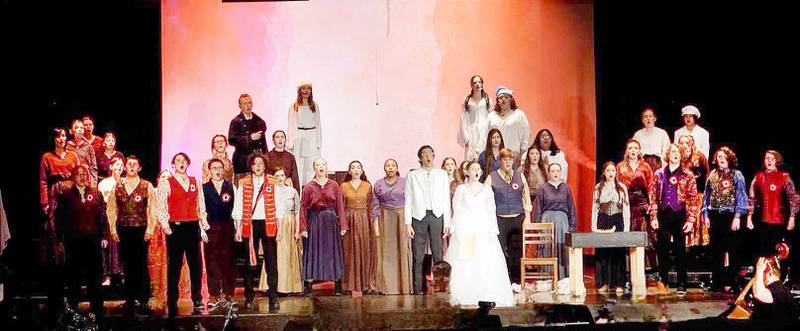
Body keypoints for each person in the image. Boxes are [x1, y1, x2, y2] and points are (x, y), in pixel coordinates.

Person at [445, 161, 516, 307]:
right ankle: (465, 295)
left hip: (483, 229)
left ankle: (486, 294)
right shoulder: (461, 190)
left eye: (478, 169)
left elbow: (491, 209)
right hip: (468, 229)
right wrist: (458, 229)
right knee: (466, 261)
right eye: (473, 169)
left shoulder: (486, 189)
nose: (476, 171)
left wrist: (492, 230)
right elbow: (457, 209)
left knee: (485, 262)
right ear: (467, 172)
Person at [155, 152, 210, 317]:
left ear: (188, 164)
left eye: (184, 161)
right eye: (178, 161)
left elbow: (200, 204)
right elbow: (161, 206)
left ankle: (197, 297)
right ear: (173, 165)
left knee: (196, 265)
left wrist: (202, 226)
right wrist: (166, 226)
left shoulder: (195, 182)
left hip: (192, 226)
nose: (181, 163)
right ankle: (172, 298)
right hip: (176, 227)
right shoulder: (166, 183)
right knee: (175, 266)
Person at [54, 165, 109, 322]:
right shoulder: (66, 196)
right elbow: (59, 220)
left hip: (93, 241)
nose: (82, 176)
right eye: (78, 174)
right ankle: (72, 309)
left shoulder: (96, 194)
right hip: (74, 242)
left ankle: (97, 309)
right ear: (73, 177)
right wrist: (60, 240)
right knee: (74, 278)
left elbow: (103, 217)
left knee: (95, 277)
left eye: (84, 174)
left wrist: (104, 236)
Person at [107, 156, 157, 314]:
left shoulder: (146, 186)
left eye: (135, 164)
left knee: (141, 265)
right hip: (123, 230)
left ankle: (142, 300)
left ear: (139, 168)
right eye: (129, 164)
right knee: (127, 265)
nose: (132, 166)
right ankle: (129, 299)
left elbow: (152, 209)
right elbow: (111, 209)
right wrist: (113, 230)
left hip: (141, 230)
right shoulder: (117, 185)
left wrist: (150, 229)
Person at [232, 154, 280, 310]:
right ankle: (249, 296)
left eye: (260, 163)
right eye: (255, 163)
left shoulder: (272, 181)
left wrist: (279, 229)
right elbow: (238, 206)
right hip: (249, 224)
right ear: (251, 166)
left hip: (268, 224)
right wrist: (238, 228)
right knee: (248, 262)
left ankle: (273, 297)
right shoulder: (244, 182)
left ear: (264, 165)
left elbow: (278, 206)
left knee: (271, 261)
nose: (258, 166)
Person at [649, 144, 698, 296]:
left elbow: (693, 199)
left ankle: (681, 283)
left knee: (680, 250)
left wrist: (690, 220)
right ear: (668, 155)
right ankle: (663, 281)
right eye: (672, 152)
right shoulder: (659, 174)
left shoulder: (687, 174)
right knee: (662, 249)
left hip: (680, 215)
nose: (675, 154)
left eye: (678, 152)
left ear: (681, 155)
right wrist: (654, 217)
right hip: (664, 214)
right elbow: (653, 197)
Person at [405, 146, 451, 294]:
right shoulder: (412, 175)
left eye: (430, 154)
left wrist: (447, 223)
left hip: (437, 215)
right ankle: (417, 288)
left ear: (434, 156)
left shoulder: (442, 174)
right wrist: (408, 223)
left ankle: (440, 287)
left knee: (438, 253)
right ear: (420, 158)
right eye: (424, 154)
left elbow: (445, 200)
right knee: (418, 255)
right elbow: (408, 200)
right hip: (419, 216)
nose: (427, 157)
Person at [701, 147, 748, 292]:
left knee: (732, 250)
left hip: (730, 215)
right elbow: (706, 196)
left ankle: (733, 282)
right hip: (715, 215)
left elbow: (741, 196)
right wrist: (706, 215)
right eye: (719, 156)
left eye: (724, 157)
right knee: (716, 250)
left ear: (730, 159)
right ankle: (717, 282)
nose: (721, 159)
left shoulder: (736, 175)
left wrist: (737, 217)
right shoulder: (712, 174)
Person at [299, 158, 348, 295]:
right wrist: (303, 228)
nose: (321, 167)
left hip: (331, 222)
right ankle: (308, 285)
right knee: (312, 251)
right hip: (314, 221)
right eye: (318, 165)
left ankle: (337, 285)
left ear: (327, 168)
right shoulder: (308, 187)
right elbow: (303, 208)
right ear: (314, 168)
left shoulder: (334, 185)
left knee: (333, 252)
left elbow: (340, 205)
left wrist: (343, 224)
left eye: (323, 164)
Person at [484, 148, 532, 286]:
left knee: (516, 251)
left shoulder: (519, 175)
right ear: (500, 161)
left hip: (517, 218)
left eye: (510, 159)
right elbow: (485, 200)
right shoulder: (491, 177)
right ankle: (502, 281)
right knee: (500, 251)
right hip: (499, 219)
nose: (508, 162)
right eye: (505, 159)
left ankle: (516, 281)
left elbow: (526, 197)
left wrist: (527, 216)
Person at [747, 150, 798, 276]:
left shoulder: (784, 177)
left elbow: (794, 198)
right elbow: (751, 198)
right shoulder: (758, 177)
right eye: (767, 158)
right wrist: (749, 217)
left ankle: (780, 279)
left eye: (772, 158)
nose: (769, 161)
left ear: (777, 161)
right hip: (762, 221)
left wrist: (792, 217)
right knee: (763, 252)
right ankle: (764, 279)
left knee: (780, 251)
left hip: (779, 221)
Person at [371, 159, 413, 295]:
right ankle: (386, 287)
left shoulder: (405, 181)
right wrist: (375, 224)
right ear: (384, 168)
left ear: (397, 167)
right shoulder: (378, 183)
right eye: (388, 165)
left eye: (393, 165)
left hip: (402, 216)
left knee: (402, 249)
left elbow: (410, 201)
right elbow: (375, 205)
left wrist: (409, 222)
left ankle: (404, 287)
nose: (390, 168)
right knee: (386, 251)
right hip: (385, 217)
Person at [616, 139, 656, 270]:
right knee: (628, 234)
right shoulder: (620, 167)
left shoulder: (645, 166)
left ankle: (647, 270)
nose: (633, 150)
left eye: (635, 148)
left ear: (639, 151)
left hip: (642, 204)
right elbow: (616, 186)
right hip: (627, 204)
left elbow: (651, 186)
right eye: (630, 148)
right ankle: (628, 269)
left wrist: (651, 204)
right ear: (627, 151)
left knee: (644, 235)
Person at [533, 163, 577, 279]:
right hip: (547, 221)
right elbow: (537, 209)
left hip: (563, 222)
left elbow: (571, 207)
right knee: (547, 247)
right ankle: (548, 277)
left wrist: (572, 226)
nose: (555, 173)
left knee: (562, 248)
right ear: (549, 173)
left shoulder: (566, 188)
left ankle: (563, 278)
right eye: (552, 171)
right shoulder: (543, 188)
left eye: (557, 171)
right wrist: (538, 227)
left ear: (561, 172)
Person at [591, 162, 630, 294]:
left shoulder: (621, 187)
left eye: (613, 170)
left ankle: (619, 283)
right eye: (608, 170)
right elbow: (595, 208)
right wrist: (594, 226)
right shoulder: (598, 188)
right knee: (603, 252)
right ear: (604, 172)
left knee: (618, 252)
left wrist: (626, 228)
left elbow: (626, 208)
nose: (611, 173)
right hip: (603, 220)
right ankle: (604, 282)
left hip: (618, 220)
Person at [202, 158, 236, 307]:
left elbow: (235, 209)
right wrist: (203, 228)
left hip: (227, 228)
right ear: (210, 170)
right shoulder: (204, 188)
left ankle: (229, 293)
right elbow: (200, 210)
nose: (217, 170)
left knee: (228, 261)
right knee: (211, 261)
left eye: (220, 168)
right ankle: (214, 295)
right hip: (211, 228)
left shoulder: (230, 186)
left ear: (224, 170)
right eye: (214, 167)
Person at [341, 160, 377, 295]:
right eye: (353, 168)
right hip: (349, 219)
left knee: (364, 250)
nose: (356, 170)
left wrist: (371, 224)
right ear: (349, 171)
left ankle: (366, 284)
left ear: (362, 171)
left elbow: (371, 206)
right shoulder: (343, 186)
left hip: (364, 220)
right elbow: (341, 206)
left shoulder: (367, 186)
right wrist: (343, 224)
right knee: (349, 251)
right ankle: (348, 285)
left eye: (358, 168)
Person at [273, 167, 303, 294]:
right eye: (277, 176)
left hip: (290, 223)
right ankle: (276, 285)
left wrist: (297, 230)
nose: (280, 178)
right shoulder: (271, 191)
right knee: (277, 254)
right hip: (275, 223)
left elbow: (297, 211)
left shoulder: (292, 191)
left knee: (289, 254)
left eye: (282, 175)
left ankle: (290, 286)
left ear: (286, 177)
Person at [677, 134, 710, 247]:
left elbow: (706, 176)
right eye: (681, 143)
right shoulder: (676, 157)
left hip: (697, 196)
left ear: (692, 144)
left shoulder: (699, 157)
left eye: (687, 143)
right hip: (681, 198)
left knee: (697, 224)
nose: (684, 145)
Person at [287, 82, 323, 186]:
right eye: (303, 88)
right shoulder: (294, 106)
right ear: (299, 90)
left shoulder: (314, 105)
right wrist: (290, 142)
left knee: (311, 164)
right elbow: (291, 123)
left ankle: (310, 188)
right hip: (299, 136)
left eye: (308, 88)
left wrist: (318, 142)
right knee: (299, 164)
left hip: (311, 136)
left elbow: (318, 123)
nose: (306, 91)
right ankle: (300, 191)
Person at [228, 93, 268, 185]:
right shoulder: (236, 122)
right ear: (240, 106)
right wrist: (249, 138)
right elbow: (231, 140)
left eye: (250, 103)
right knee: (243, 189)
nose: (248, 106)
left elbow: (263, 142)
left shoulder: (259, 121)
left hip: (257, 162)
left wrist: (266, 157)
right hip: (242, 163)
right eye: (245, 103)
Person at [751, 256, 800, 329]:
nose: (758, 278)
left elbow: (758, 294)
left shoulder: (778, 290)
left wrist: (759, 270)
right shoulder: (782, 289)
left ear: (769, 273)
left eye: (761, 275)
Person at [97, 156, 124, 286]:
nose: (119, 166)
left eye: (121, 164)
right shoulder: (104, 183)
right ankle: (107, 275)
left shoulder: (125, 182)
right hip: (108, 218)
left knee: (120, 247)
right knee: (107, 247)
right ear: (111, 166)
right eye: (117, 164)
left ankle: (121, 274)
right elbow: (101, 203)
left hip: (122, 219)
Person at [487, 86, 530, 163]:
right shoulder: (492, 116)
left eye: (506, 97)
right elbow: (486, 135)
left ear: (511, 99)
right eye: (501, 97)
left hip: (513, 156)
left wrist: (521, 155)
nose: (503, 99)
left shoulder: (519, 115)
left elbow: (526, 136)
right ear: (497, 101)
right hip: (495, 157)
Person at [457, 75, 492, 161]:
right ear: (471, 85)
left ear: (482, 84)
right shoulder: (467, 100)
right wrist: (466, 139)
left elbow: (491, 117)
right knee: (470, 158)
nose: (477, 84)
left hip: (484, 132)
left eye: (479, 82)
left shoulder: (487, 100)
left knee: (483, 157)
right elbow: (463, 119)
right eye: (475, 82)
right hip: (471, 132)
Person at [66, 119, 99, 187]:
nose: (80, 129)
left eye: (81, 128)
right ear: (71, 131)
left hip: (86, 181)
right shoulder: (66, 147)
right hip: (71, 182)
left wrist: (93, 184)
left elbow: (93, 167)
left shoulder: (89, 147)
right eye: (77, 127)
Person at [520, 146, 548, 215]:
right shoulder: (521, 170)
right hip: (527, 203)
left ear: (540, 156)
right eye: (532, 154)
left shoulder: (546, 169)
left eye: (537, 154)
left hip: (543, 203)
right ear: (528, 156)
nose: (534, 156)